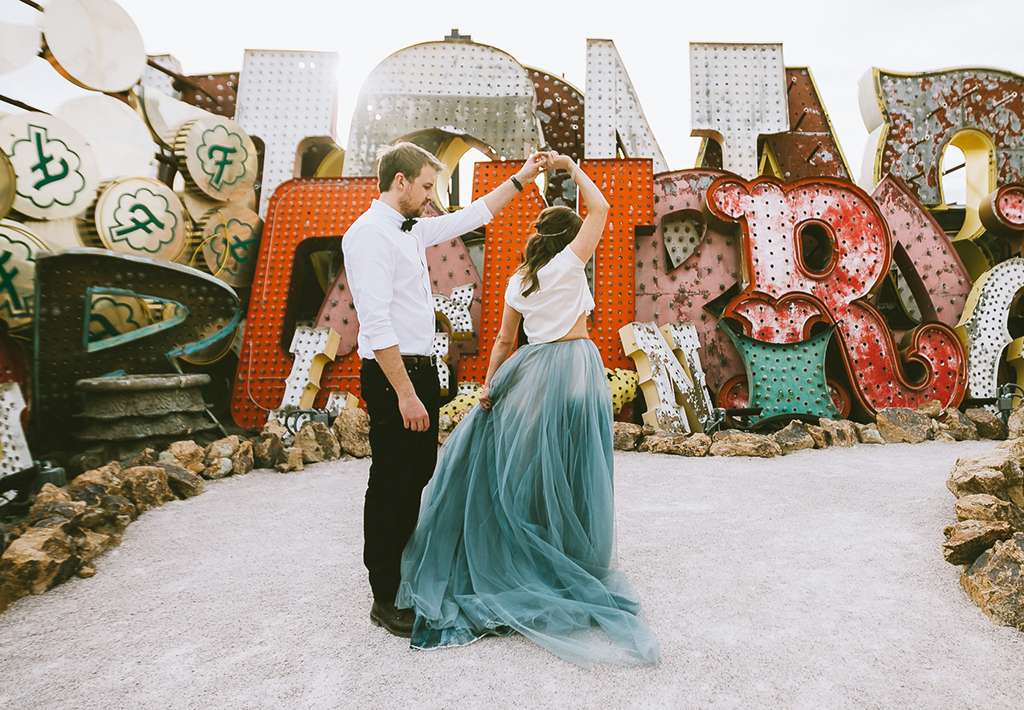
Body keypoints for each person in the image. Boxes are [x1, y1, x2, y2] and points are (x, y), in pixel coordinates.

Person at [396, 152, 660, 666]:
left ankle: (534, 552)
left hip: (532, 371)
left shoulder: (520, 280)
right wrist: (571, 168)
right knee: (577, 465)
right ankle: (570, 558)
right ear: (569, 238)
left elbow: (502, 341)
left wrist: (489, 386)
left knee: (535, 465)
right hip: (576, 368)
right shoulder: (571, 262)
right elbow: (602, 208)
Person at [342, 141, 548, 638]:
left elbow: (472, 215)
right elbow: (375, 323)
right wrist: (405, 394)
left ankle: (405, 571)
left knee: (417, 472)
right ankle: (383, 594)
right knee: (391, 481)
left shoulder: (410, 228)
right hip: (393, 376)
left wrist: (522, 177)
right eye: (427, 186)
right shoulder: (368, 235)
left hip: (419, 370)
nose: (432, 198)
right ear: (400, 181)